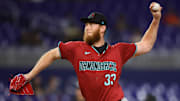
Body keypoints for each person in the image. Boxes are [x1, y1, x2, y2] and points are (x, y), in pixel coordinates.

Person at [23, 2, 162, 101]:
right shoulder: (76, 49)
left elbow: (146, 45)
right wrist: (29, 75)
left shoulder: (118, 50)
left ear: (102, 29)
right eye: (86, 25)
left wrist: (156, 20)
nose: (87, 28)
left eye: (91, 24)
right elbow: (51, 54)